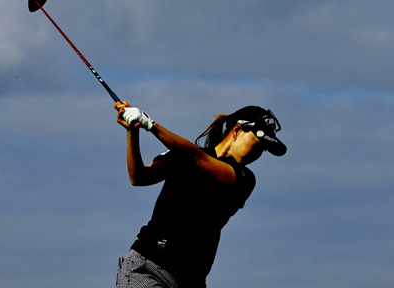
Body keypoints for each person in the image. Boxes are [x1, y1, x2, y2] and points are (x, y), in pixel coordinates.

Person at [113, 100, 286, 288]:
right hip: (149, 266)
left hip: (192, 279)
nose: (259, 153)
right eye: (258, 144)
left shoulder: (245, 179)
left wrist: (150, 124)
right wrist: (133, 131)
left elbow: (197, 157)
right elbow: (138, 177)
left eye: (264, 150)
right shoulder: (183, 156)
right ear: (237, 131)